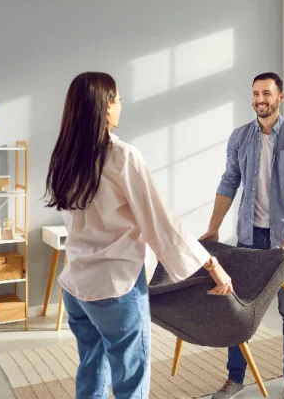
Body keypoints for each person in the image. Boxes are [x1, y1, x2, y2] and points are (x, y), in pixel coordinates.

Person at [44, 71, 233, 399]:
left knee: (92, 371)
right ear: (105, 107)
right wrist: (211, 264)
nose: (121, 104)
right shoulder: (122, 156)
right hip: (115, 287)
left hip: (75, 286)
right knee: (131, 383)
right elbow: (160, 221)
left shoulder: (64, 157)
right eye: (116, 98)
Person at [201, 72, 284, 399]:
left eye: (266, 93)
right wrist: (213, 226)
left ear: (280, 97)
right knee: (238, 308)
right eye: (255, 94)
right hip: (249, 239)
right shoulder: (239, 137)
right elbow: (228, 182)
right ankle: (235, 377)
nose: (259, 99)